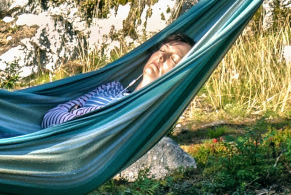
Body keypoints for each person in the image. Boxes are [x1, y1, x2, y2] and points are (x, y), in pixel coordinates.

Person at [40, 35, 193, 128]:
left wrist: (75, 111)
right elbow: (49, 117)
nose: (161, 57)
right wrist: (87, 116)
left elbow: (90, 130)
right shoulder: (111, 88)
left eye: (173, 58)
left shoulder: (144, 110)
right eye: (162, 50)